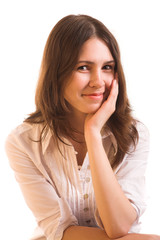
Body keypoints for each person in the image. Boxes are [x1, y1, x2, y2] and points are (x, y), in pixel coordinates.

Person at [5, 14, 160, 240]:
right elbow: (60, 230)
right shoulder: (24, 142)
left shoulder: (134, 135)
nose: (98, 81)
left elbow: (118, 226)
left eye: (107, 67)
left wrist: (93, 134)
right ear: (57, 74)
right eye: (84, 67)